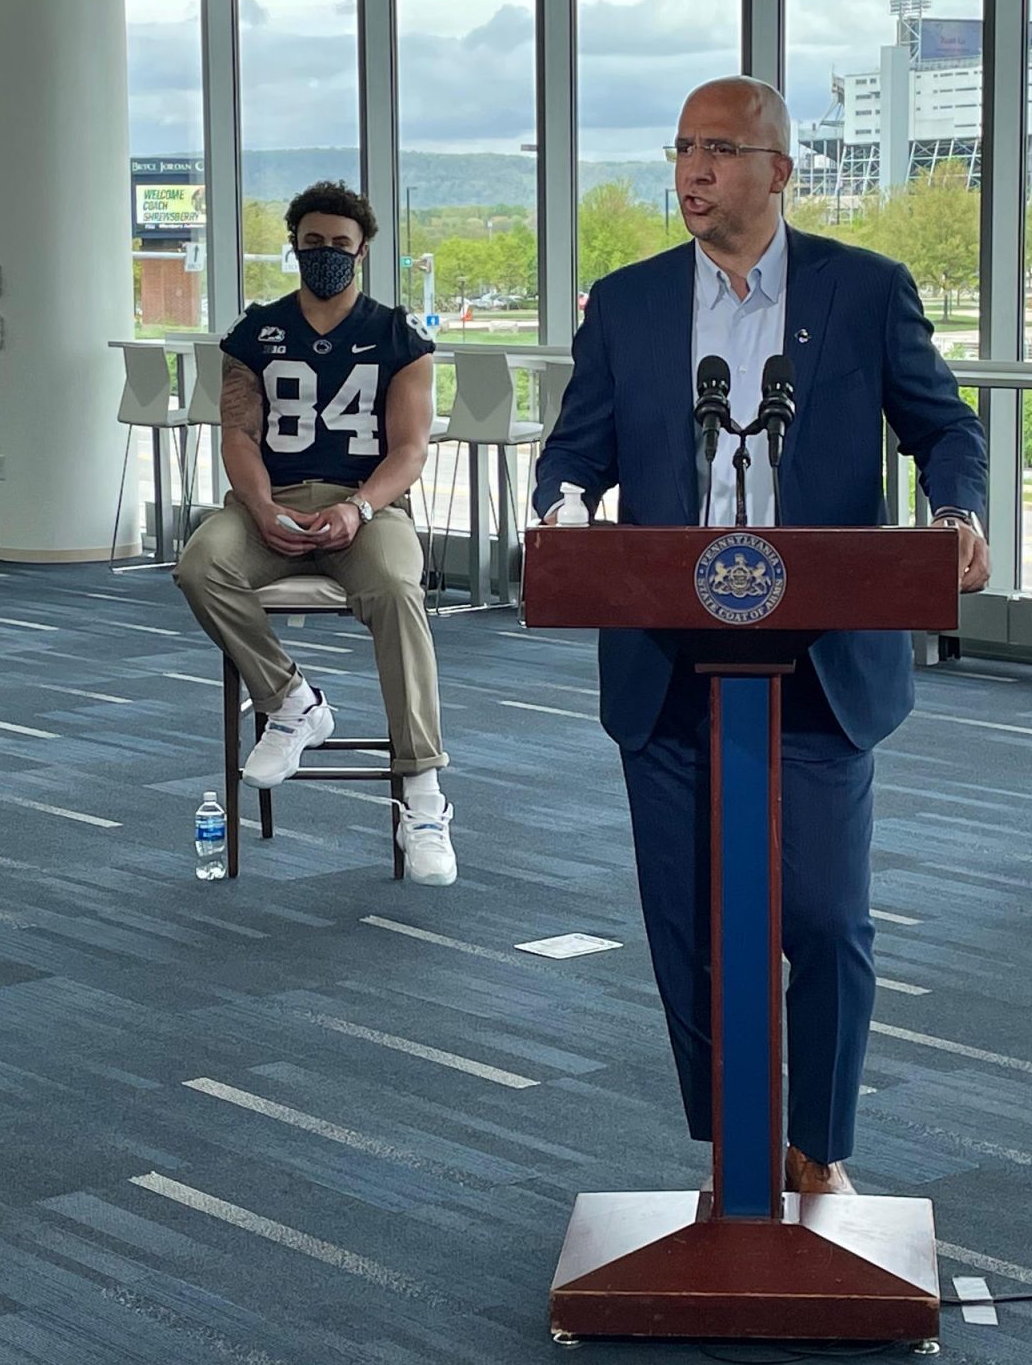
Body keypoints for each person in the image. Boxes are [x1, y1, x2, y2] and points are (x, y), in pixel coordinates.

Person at [532, 77, 989, 1194]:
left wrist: (959, 512)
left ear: (779, 170)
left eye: (720, 151)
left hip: (821, 662)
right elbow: (572, 455)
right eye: (683, 147)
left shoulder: (866, 292)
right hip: (667, 664)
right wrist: (564, 515)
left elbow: (944, 426)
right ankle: (736, 1140)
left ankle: (817, 1147)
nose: (693, 171)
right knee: (688, 928)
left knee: (825, 922)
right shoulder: (629, 303)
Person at [174, 181, 457, 886]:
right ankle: (291, 702)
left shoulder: (399, 337)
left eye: (339, 244)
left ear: (362, 250)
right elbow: (237, 433)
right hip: (272, 503)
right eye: (312, 243)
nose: (325, 254)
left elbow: (410, 450)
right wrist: (263, 507)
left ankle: (422, 793)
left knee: (397, 587)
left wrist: (359, 508)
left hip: (367, 508)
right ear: (293, 246)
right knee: (201, 563)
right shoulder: (255, 334)